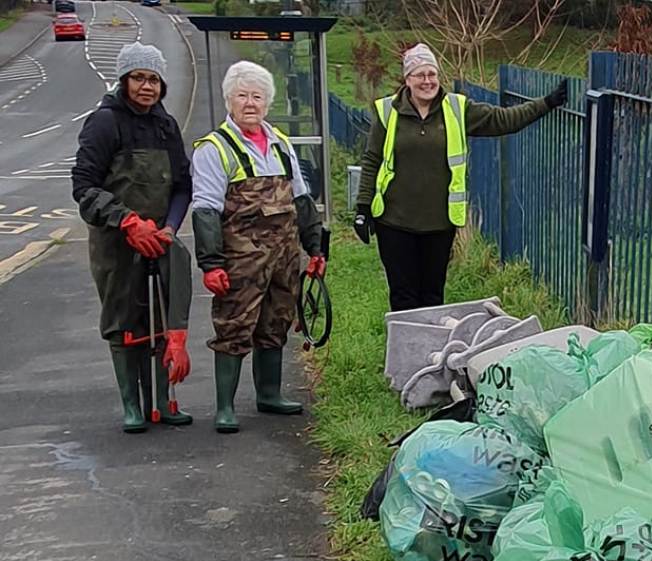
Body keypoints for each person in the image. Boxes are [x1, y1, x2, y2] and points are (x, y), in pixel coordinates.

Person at [354, 43, 568, 312]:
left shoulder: (456, 109)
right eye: (420, 75)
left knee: (432, 296)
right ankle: (405, 352)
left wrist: (546, 103)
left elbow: (504, 119)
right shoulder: (388, 112)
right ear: (408, 80)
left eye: (432, 74)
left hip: (439, 223)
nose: (427, 81)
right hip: (394, 222)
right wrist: (363, 208)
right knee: (403, 297)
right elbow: (372, 160)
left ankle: (431, 351)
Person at [191, 60, 326, 434]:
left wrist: (315, 249)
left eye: (258, 96)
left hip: (284, 257)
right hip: (240, 261)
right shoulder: (213, 149)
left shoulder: (281, 144)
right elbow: (204, 209)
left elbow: (302, 199)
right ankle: (225, 407)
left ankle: (269, 395)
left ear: (267, 103)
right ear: (228, 101)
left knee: (276, 323)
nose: (250, 103)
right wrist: (211, 264)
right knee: (234, 328)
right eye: (242, 95)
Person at [72, 42, 193, 433]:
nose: (147, 87)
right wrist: (126, 222)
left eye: (154, 79)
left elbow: (182, 186)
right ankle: (132, 406)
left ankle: (163, 402)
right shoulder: (104, 123)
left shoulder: (166, 126)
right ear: (124, 81)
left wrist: (170, 227)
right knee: (125, 320)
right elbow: (84, 186)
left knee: (163, 315)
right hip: (116, 242)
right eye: (139, 78)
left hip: (159, 237)